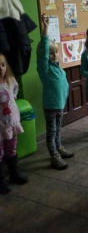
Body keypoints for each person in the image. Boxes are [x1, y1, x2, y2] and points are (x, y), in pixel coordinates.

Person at [37, 14, 73, 170]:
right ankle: (54, 156)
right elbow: (42, 55)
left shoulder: (59, 69)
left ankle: (59, 147)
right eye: (50, 53)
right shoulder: (44, 69)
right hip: (51, 107)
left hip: (59, 106)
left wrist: (64, 100)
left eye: (55, 52)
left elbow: (63, 86)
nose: (54, 55)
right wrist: (45, 32)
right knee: (51, 132)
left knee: (58, 129)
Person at [0, 53, 28, 194]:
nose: (1, 68)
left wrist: (13, 99)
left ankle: (14, 174)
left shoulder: (10, 80)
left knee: (11, 149)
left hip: (11, 123)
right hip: (0, 127)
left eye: (3, 65)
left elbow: (15, 88)